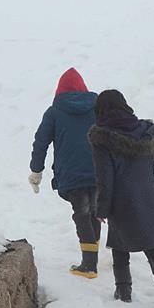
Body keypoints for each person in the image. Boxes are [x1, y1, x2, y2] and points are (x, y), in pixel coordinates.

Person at [88, 90, 154, 305]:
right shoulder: (146, 131)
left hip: (121, 200)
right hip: (147, 196)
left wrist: (102, 208)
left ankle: (123, 292)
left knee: (119, 246)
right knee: (152, 243)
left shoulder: (102, 138)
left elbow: (105, 178)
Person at [29, 68, 101, 279]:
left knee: (82, 212)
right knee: (94, 210)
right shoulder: (97, 109)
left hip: (70, 171)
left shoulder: (54, 112)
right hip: (98, 169)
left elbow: (41, 142)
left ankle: (89, 264)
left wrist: (36, 170)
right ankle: (92, 255)